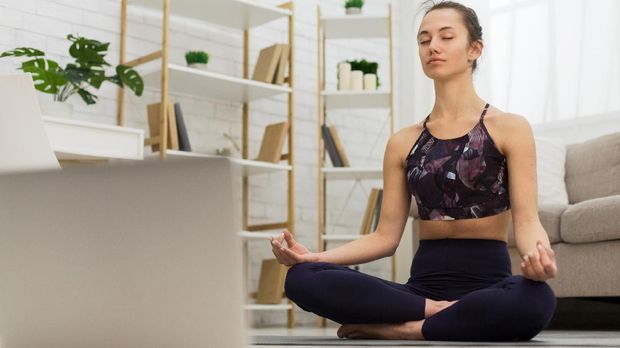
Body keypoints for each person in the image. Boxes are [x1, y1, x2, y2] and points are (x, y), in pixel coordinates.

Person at [269, 0, 558, 342]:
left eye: (446, 37)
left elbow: (526, 221)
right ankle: (440, 315)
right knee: (301, 278)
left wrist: (540, 259)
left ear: (475, 49)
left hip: (489, 286)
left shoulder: (510, 127)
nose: (433, 46)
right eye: (424, 40)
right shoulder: (402, 141)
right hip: (421, 291)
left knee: (537, 299)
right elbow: (385, 237)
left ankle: (406, 328)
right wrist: (315, 256)